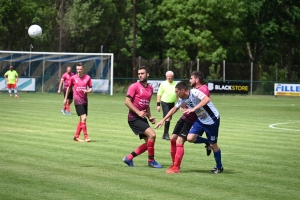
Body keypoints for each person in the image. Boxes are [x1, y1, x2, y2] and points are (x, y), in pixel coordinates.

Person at [155, 71, 212, 174]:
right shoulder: (182, 98)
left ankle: (176, 167)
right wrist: (163, 120)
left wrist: (194, 109)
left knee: (180, 141)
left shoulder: (194, 93)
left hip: (192, 120)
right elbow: (174, 109)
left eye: (177, 91)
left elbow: (206, 100)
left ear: (182, 90)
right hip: (184, 118)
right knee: (173, 139)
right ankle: (174, 164)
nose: (176, 94)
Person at [123, 66, 162, 168]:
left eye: (142, 73)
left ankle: (129, 158)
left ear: (147, 74)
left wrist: (149, 117)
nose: (140, 75)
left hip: (142, 117)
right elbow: (127, 102)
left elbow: (147, 104)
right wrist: (138, 112)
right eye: (139, 73)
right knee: (152, 135)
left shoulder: (150, 88)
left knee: (149, 142)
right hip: (133, 118)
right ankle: (151, 161)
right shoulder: (134, 86)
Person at [64, 63, 92, 142]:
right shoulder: (73, 78)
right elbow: (69, 88)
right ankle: (86, 137)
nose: (79, 71)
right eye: (77, 69)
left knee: (82, 120)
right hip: (77, 100)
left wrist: (87, 91)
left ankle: (76, 136)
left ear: (83, 69)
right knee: (84, 117)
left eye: (80, 69)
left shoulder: (88, 77)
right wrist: (65, 98)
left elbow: (90, 88)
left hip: (85, 101)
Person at [156, 71, 177, 140]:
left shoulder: (176, 84)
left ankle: (164, 134)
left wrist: (180, 104)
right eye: (167, 76)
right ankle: (166, 134)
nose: (169, 77)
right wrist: (158, 105)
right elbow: (159, 94)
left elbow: (178, 95)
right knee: (167, 118)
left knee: (169, 118)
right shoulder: (163, 84)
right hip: (164, 102)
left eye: (170, 76)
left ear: (172, 76)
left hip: (172, 103)